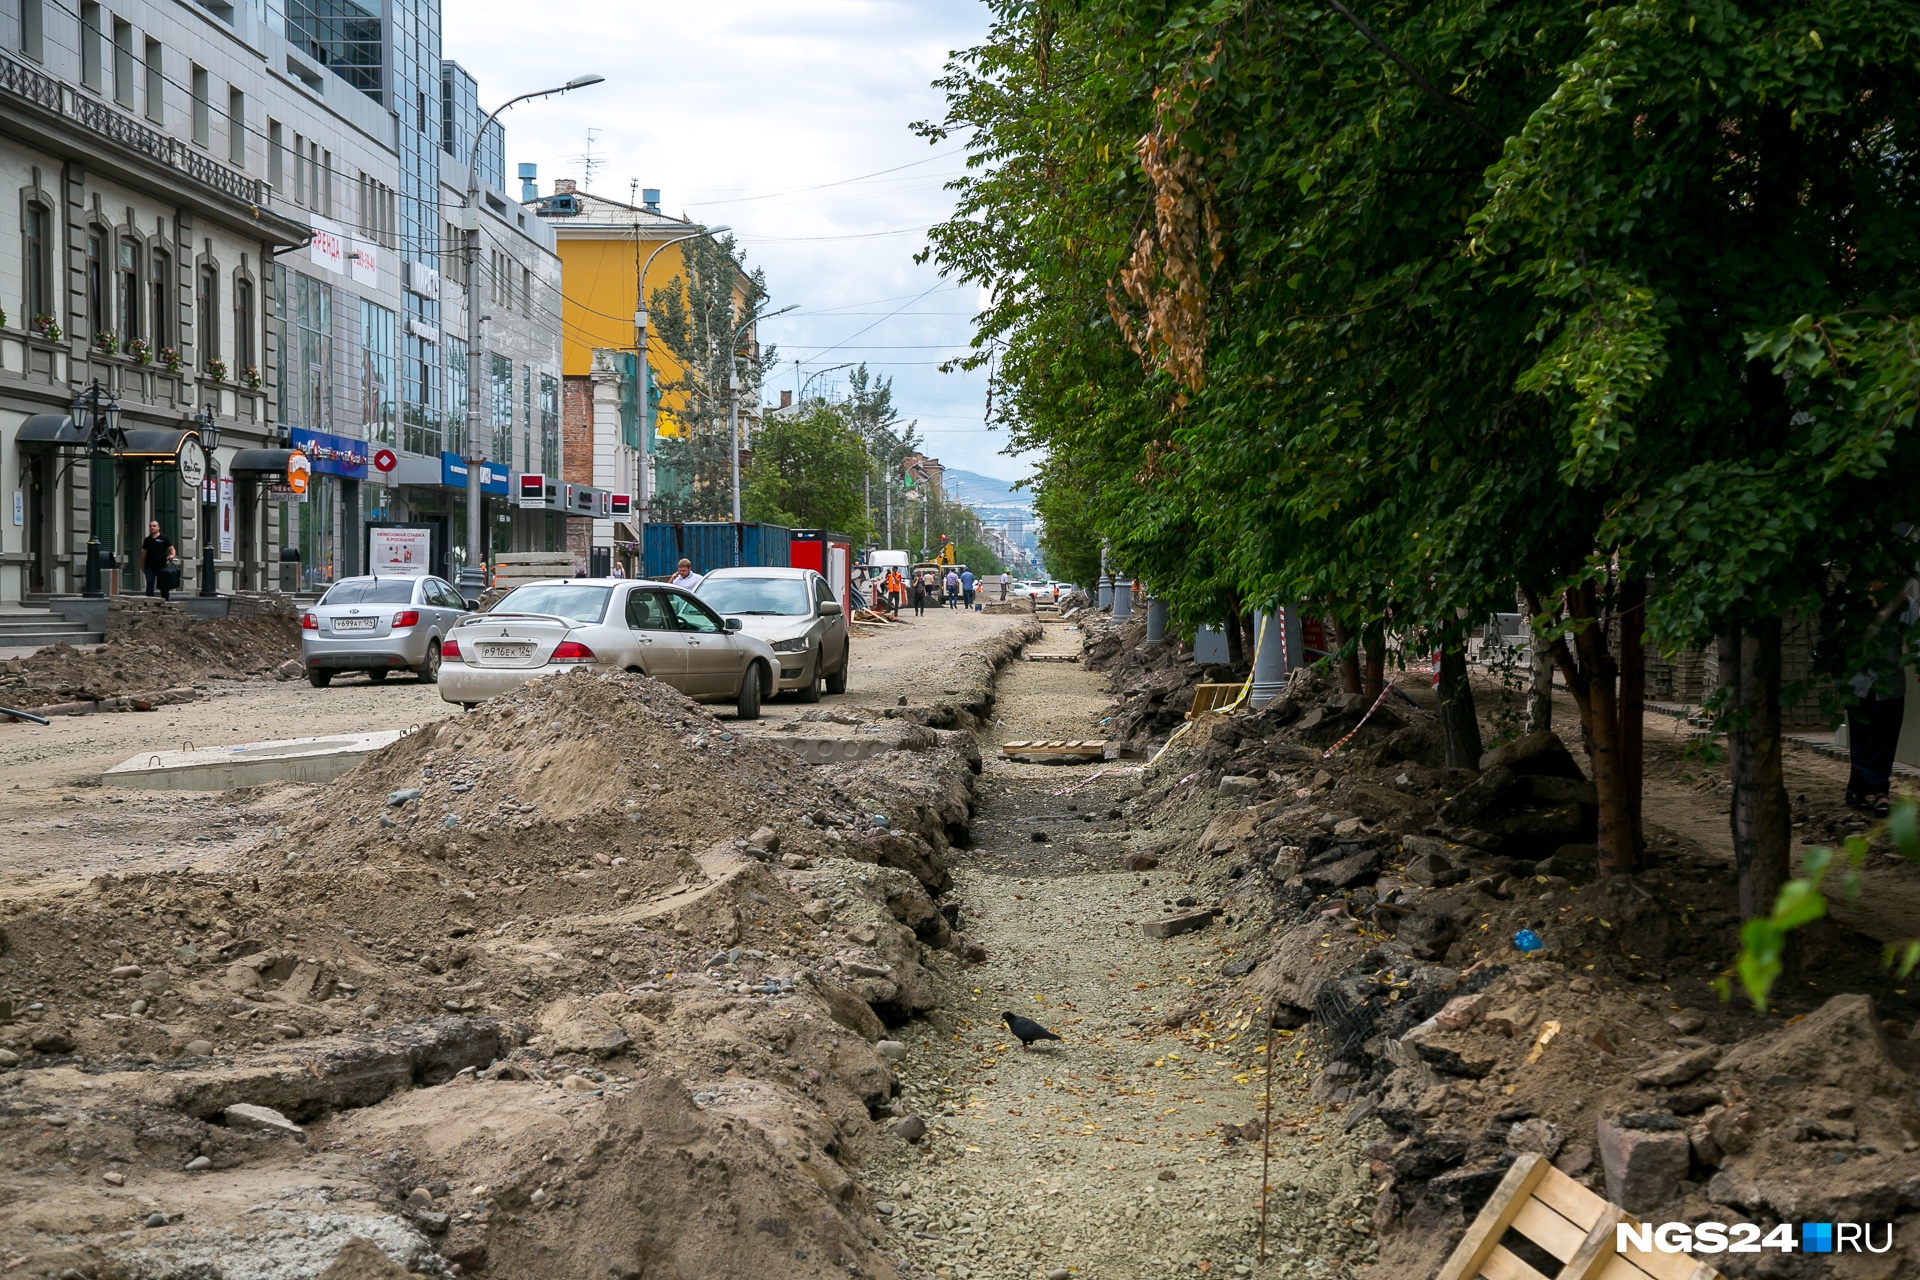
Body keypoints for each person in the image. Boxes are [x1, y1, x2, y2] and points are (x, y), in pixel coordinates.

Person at [1845, 580, 1917, 816]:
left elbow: (1917, 635)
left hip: (1890, 683)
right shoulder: (1851, 602)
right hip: (1858, 681)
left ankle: (1868, 790)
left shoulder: (1906, 606)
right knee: (1862, 737)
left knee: (1886, 739)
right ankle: (1874, 791)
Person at [140, 520, 175, 602]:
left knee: (164, 586)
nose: (152, 527)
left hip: (162, 566)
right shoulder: (147, 540)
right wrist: (142, 565)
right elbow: (143, 553)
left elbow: (171, 549)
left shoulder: (164, 539)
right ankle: (149, 602)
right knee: (149, 584)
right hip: (149, 567)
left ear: (158, 527)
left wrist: (172, 555)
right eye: (150, 526)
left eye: (154, 526)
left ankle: (166, 601)